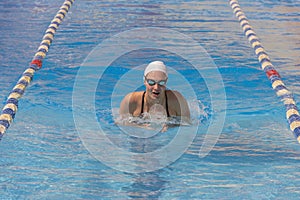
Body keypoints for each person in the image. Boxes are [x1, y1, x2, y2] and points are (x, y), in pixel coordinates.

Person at [119, 61, 191, 130]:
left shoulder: (177, 100)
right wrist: (140, 127)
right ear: (144, 81)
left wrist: (170, 126)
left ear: (166, 82)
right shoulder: (130, 100)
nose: (156, 87)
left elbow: (188, 124)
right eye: (151, 82)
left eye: (161, 83)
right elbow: (120, 123)